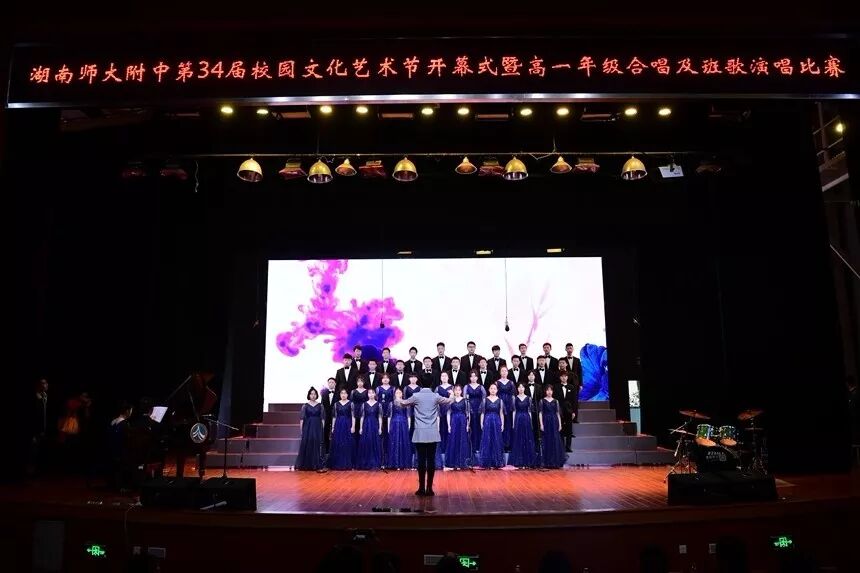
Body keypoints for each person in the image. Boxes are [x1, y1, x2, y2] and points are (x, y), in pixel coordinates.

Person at [395, 375, 453, 496]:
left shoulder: (416, 396)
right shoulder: (435, 396)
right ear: (432, 384)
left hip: (420, 433)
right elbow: (449, 401)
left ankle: (421, 488)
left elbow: (402, 404)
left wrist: (397, 398)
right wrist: (452, 394)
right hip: (432, 433)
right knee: (431, 460)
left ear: (420, 383)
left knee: (421, 460)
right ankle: (429, 489)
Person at [295, 387, 324, 470]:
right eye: (311, 394)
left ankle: (316, 464)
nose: (313, 395)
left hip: (317, 427)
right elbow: (302, 419)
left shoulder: (320, 406)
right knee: (308, 444)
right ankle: (307, 464)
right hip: (308, 427)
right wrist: (302, 430)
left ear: (317, 395)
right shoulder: (305, 406)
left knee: (316, 444)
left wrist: (322, 429)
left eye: (314, 394)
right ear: (309, 395)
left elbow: (322, 419)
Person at [508, 383, 536, 468]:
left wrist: (531, 422)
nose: (521, 388)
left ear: (524, 388)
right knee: (518, 438)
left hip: (526, 419)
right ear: (517, 389)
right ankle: (518, 461)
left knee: (527, 438)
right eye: (519, 387)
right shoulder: (514, 398)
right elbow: (514, 411)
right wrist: (513, 423)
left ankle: (527, 461)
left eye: (522, 387)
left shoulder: (529, 398)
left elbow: (530, 411)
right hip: (518, 418)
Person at [479, 383, 505, 469]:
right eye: (491, 388)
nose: (493, 390)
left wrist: (502, 424)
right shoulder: (485, 400)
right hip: (487, 421)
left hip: (496, 421)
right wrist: (481, 423)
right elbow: (482, 413)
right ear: (489, 390)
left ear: (497, 390)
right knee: (487, 440)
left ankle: (496, 462)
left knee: (496, 440)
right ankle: (486, 462)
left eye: (494, 389)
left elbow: (501, 413)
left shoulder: (500, 401)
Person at [445, 384, 471, 469]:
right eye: (456, 390)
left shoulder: (465, 401)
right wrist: (448, 425)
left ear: (461, 391)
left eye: (459, 390)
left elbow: (468, 413)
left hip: (462, 421)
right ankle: (453, 462)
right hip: (454, 421)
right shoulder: (451, 400)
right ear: (453, 391)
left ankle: (462, 462)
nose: (457, 392)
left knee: (462, 440)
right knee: (454, 440)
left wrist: (467, 424)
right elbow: (448, 413)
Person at [540, 384, 567, 468]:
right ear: (545, 391)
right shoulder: (542, 401)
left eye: (550, 390)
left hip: (554, 421)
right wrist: (541, 424)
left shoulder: (556, 401)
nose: (549, 392)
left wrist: (560, 424)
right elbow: (540, 413)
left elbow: (557, 413)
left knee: (555, 440)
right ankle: (547, 462)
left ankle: (555, 461)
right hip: (546, 421)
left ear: (552, 391)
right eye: (547, 390)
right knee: (547, 440)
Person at [356, 388, 383, 470]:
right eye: (369, 393)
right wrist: (361, 428)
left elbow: (380, 417)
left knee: (374, 442)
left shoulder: (378, 404)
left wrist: (380, 428)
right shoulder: (364, 404)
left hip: (374, 424)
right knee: (366, 442)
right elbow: (362, 417)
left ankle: (374, 462)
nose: (371, 394)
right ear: (367, 394)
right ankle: (365, 462)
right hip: (366, 424)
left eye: (372, 393)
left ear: (375, 394)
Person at [329, 389, 355, 470]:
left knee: (347, 443)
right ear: (340, 395)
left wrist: (353, 426)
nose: (343, 395)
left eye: (345, 393)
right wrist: (333, 427)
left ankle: (347, 463)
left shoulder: (351, 403)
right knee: (338, 443)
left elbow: (353, 416)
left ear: (347, 395)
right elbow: (334, 417)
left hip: (347, 424)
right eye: (342, 393)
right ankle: (338, 463)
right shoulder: (336, 404)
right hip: (338, 424)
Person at [387, 387, 413, 469]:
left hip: (403, 423)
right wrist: (388, 426)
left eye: (400, 392)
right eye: (397, 393)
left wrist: (409, 425)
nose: (398, 394)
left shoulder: (406, 403)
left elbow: (408, 416)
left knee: (403, 441)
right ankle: (394, 463)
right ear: (394, 394)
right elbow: (389, 416)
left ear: (402, 394)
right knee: (394, 441)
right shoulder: (391, 403)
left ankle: (403, 463)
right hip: (394, 423)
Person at [464, 370, 486, 454]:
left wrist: (481, 408)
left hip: (479, 409)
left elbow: (484, 399)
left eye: (475, 376)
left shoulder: (481, 387)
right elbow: (465, 399)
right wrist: (468, 409)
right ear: (469, 377)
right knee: (470, 427)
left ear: (477, 377)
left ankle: (478, 447)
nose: (473, 378)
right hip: (469, 409)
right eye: (471, 376)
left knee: (479, 427)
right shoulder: (466, 387)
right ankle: (470, 447)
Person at [557, 371, 578, 451]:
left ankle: (568, 446)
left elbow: (574, 401)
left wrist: (573, 412)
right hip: (559, 411)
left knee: (569, 429)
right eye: (562, 376)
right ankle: (562, 446)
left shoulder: (571, 387)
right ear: (560, 377)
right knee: (560, 428)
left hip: (569, 411)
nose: (564, 378)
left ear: (567, 377)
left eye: (565, 376)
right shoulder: (556, 387)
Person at [495, 366, 515, 451]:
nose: (504, 372)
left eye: (505, 371)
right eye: (502, 371)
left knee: (508, 423)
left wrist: (512, 406)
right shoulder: (497, 382)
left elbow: (513, 395)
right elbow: (495, 394)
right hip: (500, 403)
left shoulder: (511, 382)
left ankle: (508, 444)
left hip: (508, 404)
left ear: (507, 372)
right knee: (500, 422)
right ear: (500, 372)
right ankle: (500, 444)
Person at [376, 374, 395, 456]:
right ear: (381, 380)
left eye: (387, 378)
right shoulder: (378, 388)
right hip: (380, 412)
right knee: (380, 432)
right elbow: (376, 400)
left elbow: (394, 400)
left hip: (391, 413)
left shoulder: (393, 388)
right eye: (383, 378)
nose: (385, 379)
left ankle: (389, 453)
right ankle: (381, 453)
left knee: (389, 432)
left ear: (389, 379)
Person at [436, 371, 453, 454]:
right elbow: (435, 400)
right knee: (441, 429)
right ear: (440, 378)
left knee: (449, 428)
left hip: (450, 410)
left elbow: (455, 400)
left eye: (445, 376)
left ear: (448, 377)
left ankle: (449, 449)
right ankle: (441, 449)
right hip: (440, 410)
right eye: (442, 376)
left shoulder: (452, 387)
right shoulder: (438, 388)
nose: (444, 377)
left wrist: (452, 395)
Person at [320, 377, 338, 455]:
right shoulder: (324, 394)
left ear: (335, 384)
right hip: (326, 416)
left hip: (336, 416)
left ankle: (335, 450)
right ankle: (326, 451)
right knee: (325, 432)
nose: (331, 384)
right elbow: (322, 405)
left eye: (332, 382)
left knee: (336, 432)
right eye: (329, 382)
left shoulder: (338, 393)